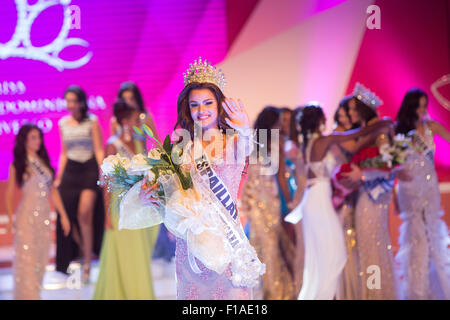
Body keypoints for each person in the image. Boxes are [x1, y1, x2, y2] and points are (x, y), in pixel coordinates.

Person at [137, 58, 258, 299]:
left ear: (219, 105)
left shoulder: (233, 143)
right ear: (187, 108)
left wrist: (245, 128)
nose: (201, 111)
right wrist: (147, 197)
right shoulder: (180, 149)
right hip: (192, 247)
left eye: (207, 103)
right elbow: (169, 195)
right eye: (194, 105)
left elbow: (251, 148)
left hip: (227, 242)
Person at [284, 103, 392, 300]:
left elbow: (354, 143)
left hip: (314, 199)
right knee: (334, 254)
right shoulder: (324, 140)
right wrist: (381, 123)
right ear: (319, 121)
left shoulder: (309, 143)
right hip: (317, 201)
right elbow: (355, 137)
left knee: (321, 258)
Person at [94, 100, 159, 299]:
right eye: (133, 119)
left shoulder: (139, 143)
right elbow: (106, 182)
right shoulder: (112, 145)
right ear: (123, 121)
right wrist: (106, 214)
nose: (136, 122)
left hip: (138, 204)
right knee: (121, 254)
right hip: (119, 206)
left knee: (138, 256)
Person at [343, 84, 401, 299]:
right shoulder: (370, 128)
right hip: (367, 194)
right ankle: (374, 291)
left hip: (374, 195)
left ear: (362, 108)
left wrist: (363, 175)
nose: (350, 113)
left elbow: (389, 164)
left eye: (352, 108)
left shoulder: (381, 129)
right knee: (370, 246)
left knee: (373, 246)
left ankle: (377, 293)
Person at [395, 88, 450, 299]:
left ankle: (439, 289)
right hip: (408, 189)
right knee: (415, 237)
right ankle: (417, 290)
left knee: (433, 234)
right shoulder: (398, 130)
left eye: (424, 105)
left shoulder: (431, 127)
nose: (422, 110)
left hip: (429, 187)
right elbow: (394, 164)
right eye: (418, 105)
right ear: (410, 107)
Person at [5, 124, 71, 299]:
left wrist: (63, 215)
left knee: (41, 259)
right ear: (25, 140)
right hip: (26, 216)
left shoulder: (43, 162)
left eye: (39, 137)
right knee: (27, 260)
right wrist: (11, 219)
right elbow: (9, 193)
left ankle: (35, 293)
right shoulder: (18, 164)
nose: (38, 141)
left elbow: (53, 191)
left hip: (43, 217)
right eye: (33, 137)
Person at [241, 106, 295, 300]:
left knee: (269, 250)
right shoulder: (262, 145)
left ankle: (271, 294)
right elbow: (276, 178)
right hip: (259, 203)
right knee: (264, 249)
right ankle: (264, 294)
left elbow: (280, 177)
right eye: (278, 124)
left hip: (266, 202)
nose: (281, 128)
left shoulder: (265, 145)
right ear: (270, 124)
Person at [55, 85, 105, 283]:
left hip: (89, 168)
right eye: (68, 101)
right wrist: (59, 177)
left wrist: (103, 173)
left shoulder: (92, 122)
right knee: (68, 215)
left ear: (82, 102)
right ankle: (82, 253)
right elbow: (64, 152)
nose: (70, 105)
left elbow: (98, 149)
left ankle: (87, 265)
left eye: (74, 100)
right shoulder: (63, 123)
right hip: (71, 170)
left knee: (85, 214)